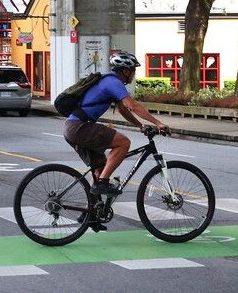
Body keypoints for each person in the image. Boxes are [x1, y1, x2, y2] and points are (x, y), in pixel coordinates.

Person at [63, 51, 170, 197]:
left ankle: (92, 214)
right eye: (133, 71)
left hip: (73, 128)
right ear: (125, 71)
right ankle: (102, 183)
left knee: (100, 168)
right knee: (123, 143)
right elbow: (133, 106)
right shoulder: (113, 82)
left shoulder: (108, 81)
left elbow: (123, 110)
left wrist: (141, 125)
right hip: (80, 127)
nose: (133, 74)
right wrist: (158, 123)